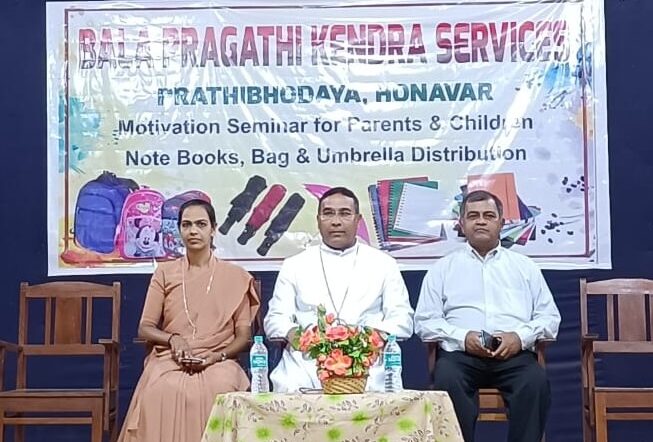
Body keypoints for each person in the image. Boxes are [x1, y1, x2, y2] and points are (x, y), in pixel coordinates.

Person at [414, 190, 561, 442]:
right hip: (460, 357)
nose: (481, 221)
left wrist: (519, 337)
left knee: (535, 382)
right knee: (447, 379)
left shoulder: (525, 267)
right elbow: (425, 322)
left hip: (514, 356)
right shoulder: (442, 268)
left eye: (488, 216)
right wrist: (463, 338)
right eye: (473, 216)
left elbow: (549, 318)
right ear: (462, 224)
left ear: (501, 223)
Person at [118, 199, 260, 442]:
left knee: (222, 386)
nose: (193, 230)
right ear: (179, 229)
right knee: (158, 390)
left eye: (201, 224)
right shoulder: (165, 272)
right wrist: (174, 339)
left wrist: (217, 356)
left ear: (213, 229)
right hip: (170, 358)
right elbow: (145, 327)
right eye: (187, 225)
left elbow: (243, 336)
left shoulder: (235, 276)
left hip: (219, 360)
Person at [264, 186, 414, 392]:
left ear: (358, 220)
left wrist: (368, 340)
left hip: (366, 360)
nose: (336, 221)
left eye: (345, 213)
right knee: (291, 385)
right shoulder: (295, 265)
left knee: (376, 389)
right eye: (328, 213)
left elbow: (402, 319)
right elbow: (275, 319)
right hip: (307, 362)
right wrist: (300, 338)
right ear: (318, 220)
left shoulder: (383, 263)